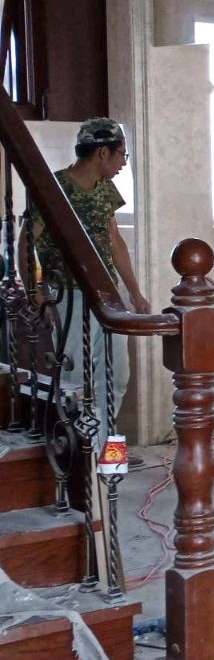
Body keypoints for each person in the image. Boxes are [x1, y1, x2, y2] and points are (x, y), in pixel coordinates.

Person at [18, 117, 144, 436]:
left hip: (107, 296)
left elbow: (114, 240)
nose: (123, 163)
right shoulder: (54, 188)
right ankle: (77, 450)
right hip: (69, 296)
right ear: (102, 152)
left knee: (116, 376)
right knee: (74, 380)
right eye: (122, 154)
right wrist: (35, 293)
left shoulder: (105, 188)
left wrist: (134, 292)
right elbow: (26, 241)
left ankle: (102, 447)